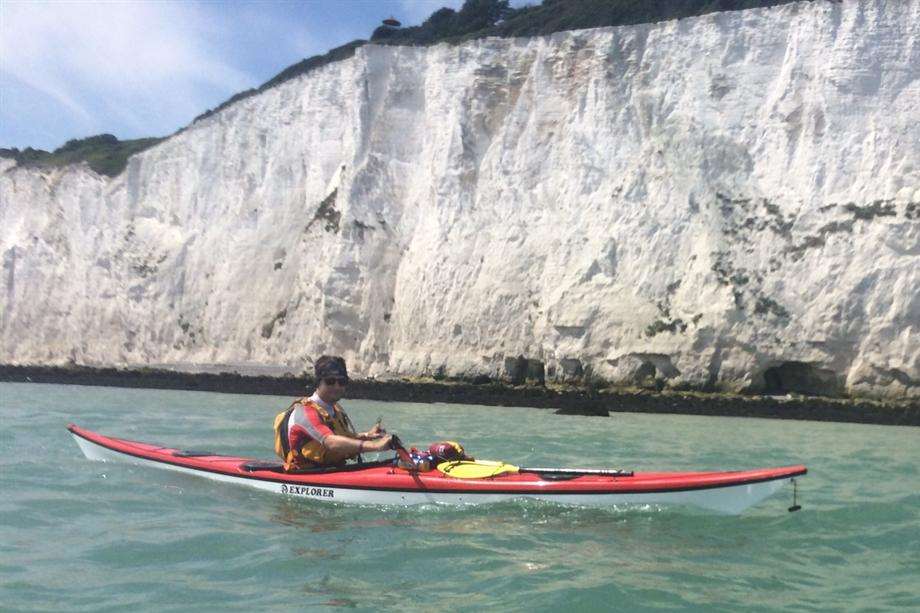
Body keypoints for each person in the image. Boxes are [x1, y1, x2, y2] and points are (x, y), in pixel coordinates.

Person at [274, 355, 393, 471]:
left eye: (342, 382)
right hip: (306, 474)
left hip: (333, 470)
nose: (337, 386)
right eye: (330, 381)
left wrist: (368, 436)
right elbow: (330, 442)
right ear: (318, 383)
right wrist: (376, 446)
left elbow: (341, 439)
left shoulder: (336, 411)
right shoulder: (305, 413)